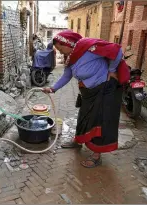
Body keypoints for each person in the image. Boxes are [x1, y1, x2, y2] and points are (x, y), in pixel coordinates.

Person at [43, 30, 124, 168]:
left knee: (99, 122)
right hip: (88, 93)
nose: (60, 52)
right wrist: (53, 88)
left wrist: (111, 69)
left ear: (67, 43)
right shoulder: (71, 58)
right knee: (83, 118)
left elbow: (117, 51)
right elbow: (66, 76)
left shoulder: (88, 47)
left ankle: (97, 155)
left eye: (60, 48)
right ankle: (78, 141)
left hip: (104, 90)